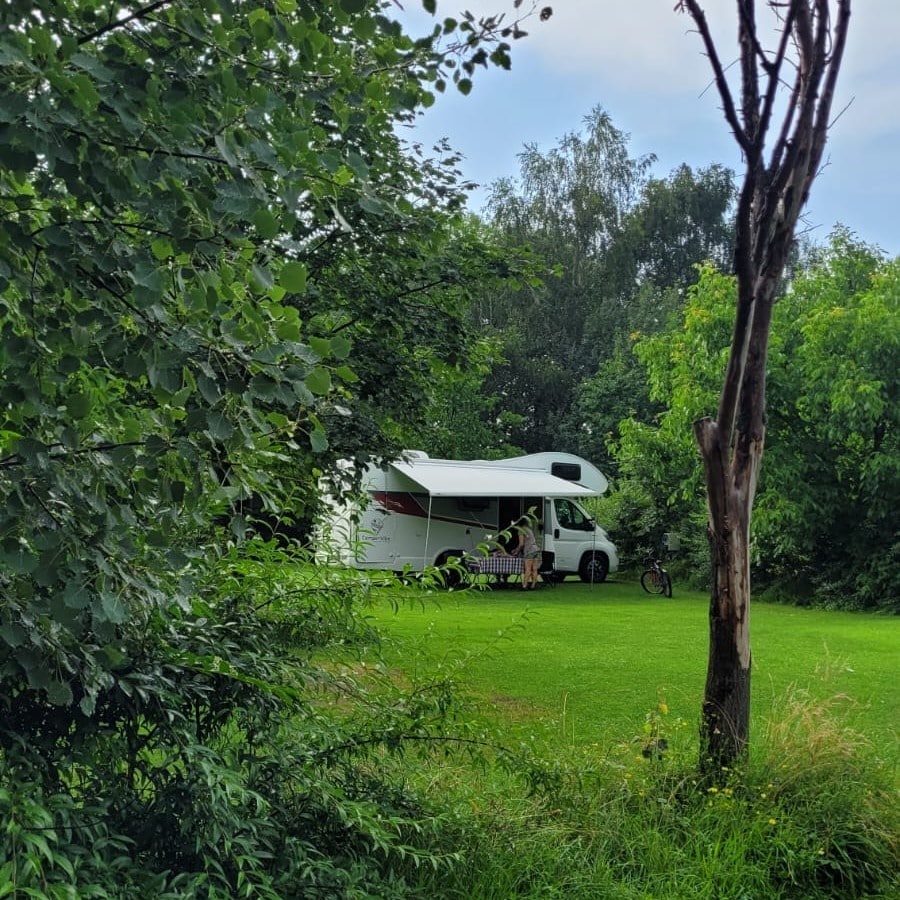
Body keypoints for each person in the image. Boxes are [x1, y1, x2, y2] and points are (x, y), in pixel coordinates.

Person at [513, 515, 541, 590]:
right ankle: (533, 585)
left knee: (528, 569)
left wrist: (516, 551)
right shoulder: (529, 529)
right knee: (534, 569)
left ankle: (524, 586)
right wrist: (516, 549)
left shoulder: (521, 530)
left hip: (529, 550)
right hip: (536, 549)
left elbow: (521, 544)